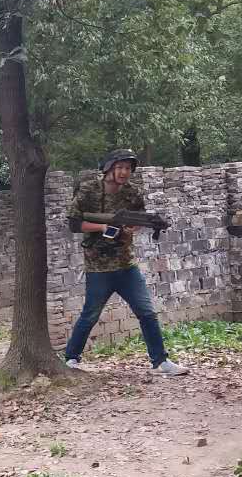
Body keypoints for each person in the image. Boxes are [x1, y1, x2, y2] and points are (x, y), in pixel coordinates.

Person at [64, 148, 188, 376]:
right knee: (90, 315)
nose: (124, 172)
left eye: (128, 169)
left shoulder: (132, 193)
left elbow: (139, 219)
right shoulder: (89, 189)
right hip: (98, 267)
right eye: (120, 167)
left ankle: (161, 362)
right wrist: (102, 227)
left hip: (126, 265)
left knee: (147, 313)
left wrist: (133, 228)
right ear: (109, 168)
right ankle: (71, 359)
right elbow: (74, 223)